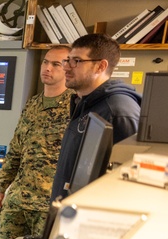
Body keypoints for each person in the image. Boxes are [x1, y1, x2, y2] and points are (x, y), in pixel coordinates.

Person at [0, 46, 72, 239]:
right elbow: (16, 148)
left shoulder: (75, 106)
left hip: (48, 203)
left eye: (56, 64)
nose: (48, 68)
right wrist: (1, 187)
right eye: (45, 62)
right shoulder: (33, 104)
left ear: (68, 69)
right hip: (18, 199)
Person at [51, 33, 141, 201]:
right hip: (67, 209)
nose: (66, 67)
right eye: (67, 60)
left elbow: (128, 179)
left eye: (76, 61)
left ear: (100, 66)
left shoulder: (119, 110)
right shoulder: (84, 102)